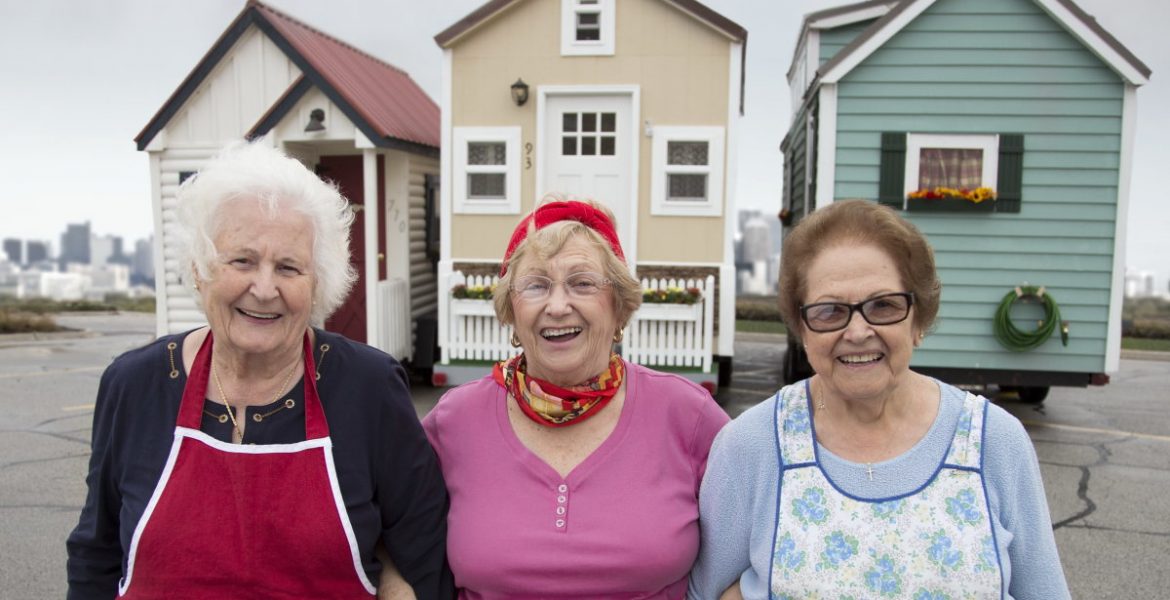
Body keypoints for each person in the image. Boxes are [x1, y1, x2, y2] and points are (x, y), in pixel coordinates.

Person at [66, 141, 453, 599]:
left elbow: (423, 557)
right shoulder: (135, 384)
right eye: (242, 261)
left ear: (318, 284)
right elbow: (97, 554)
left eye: (289, 267)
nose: (264, 288)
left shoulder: (368, 387)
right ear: (198, 269)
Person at [688, 200, 1069, 599]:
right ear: (803, 329)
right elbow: (704, 593)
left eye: (883, 306)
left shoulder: (994, 441)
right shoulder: (753, 444)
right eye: (830, 311)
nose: (857, 331)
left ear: (918, 319)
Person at [423, 197, 729, 598]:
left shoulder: (688, 415)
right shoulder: (455, 420)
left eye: (582, 283)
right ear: (511, 313)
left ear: (619, 307)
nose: (557, 305)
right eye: (535, 285)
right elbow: (392, 537)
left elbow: (751, 551)